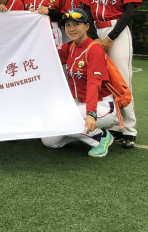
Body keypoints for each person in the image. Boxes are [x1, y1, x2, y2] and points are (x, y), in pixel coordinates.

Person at [41, 9, 116, 158]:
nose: (71, 28)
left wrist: (91, 114)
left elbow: (94, 83)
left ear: (87, 26)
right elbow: (47, 53)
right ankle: (82, 132)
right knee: (49, 141)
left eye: (76, 24)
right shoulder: (71, 47)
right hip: (77, 104)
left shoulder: (94, 49)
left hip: (101, 106)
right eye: (68, 25)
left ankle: (101, 137)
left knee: (65, 121)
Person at [88, 0, 141, 149]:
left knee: (122, 79)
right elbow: (87, 10)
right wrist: (94, 37)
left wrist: (110, 37)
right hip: (96, 30)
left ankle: (129, 129)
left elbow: (129, 12)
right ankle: (115, 126)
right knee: (103, 80)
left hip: (116, 30)